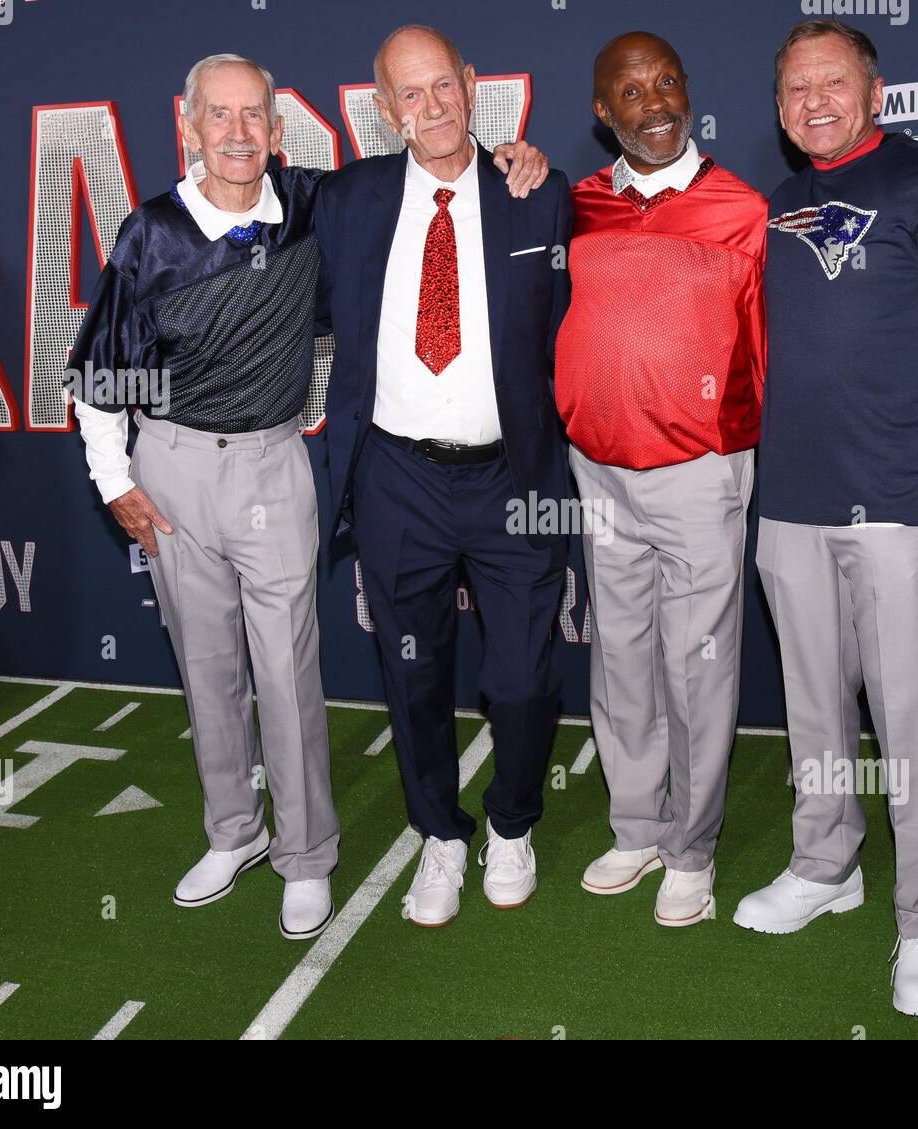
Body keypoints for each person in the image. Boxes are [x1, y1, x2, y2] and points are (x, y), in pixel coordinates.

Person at [67, 52, 547, 940]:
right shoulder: (151, 232)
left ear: (277, 130)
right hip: (170, 463)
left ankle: (306, 854)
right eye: (220, 116)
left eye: (255, 115)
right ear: (188, 126)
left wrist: (518, 157)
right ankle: (233, 831)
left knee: (287, 669)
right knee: (206, 666)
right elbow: (100, 364)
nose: (239, 133)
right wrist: (113, 476)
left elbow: (439, 166)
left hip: (274, 462)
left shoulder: (316, 204)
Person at [733, 19, 918, 1016]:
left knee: (908, 721)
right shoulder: (779, 205)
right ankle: (825, 864)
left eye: (831, 83)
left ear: (873, 90)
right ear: (777, 107)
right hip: (791, 501)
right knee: (815, 706)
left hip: (899, 499)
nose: (812, 103)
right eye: (793, 90)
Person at [314, 25, 572, 927]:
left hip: (514, 478)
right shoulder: (346, 199)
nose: (430, 109)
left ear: (471, 84)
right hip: (396, 479)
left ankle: (511, 822)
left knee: (523, 679)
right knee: (413, 675)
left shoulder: (536, 193)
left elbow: (572, 325)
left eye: (443, 87)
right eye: (408, 95)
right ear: (384, 109)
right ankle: (440, 833)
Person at [555, 31, 766, 927]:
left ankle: (692, 845)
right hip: (597, 470)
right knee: (621, 657)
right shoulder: (574, 206)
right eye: (632, 92)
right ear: (604, 113)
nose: (655, 105)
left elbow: (774, 351)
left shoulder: (743, 209)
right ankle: (636, 825)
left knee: (698, 665)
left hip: (699, 473)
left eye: (668, 83)